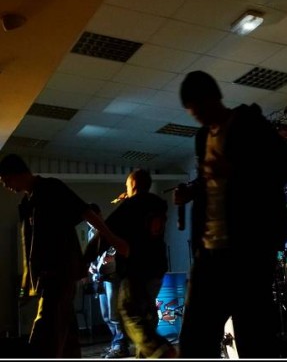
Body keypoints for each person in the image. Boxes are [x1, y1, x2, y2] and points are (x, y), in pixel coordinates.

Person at [173, 70, 287, 358]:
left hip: (248, 249)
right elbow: (211, 182)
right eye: (193, 112)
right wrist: (193, 190)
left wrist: (234, 171)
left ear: (214, 98)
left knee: (255, 335)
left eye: (200, 109)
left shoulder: (249, 123)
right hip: (209, 251)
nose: (198, 117)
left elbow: (281, 171)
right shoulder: (202, 137)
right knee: (194, 339)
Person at [0, 153, 128, 358]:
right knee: (67, 335)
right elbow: (29, 248)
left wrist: (113, 239)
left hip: (59, 272)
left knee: (44, 333)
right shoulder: (26, 204)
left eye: (6, 180)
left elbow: (87, 212)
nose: (6, 185)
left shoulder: (51, 188)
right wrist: (27, 283)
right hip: (47, 276)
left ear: (17, 173)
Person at [89, 168, 176, 358]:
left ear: (133, 185)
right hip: (157, 267)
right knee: (147, 311)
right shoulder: (157, 206)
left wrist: (83, 260)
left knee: (128, 310)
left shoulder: (131, 206)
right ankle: (144, 355)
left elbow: (104, 233)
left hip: (138, 267)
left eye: (127, 186)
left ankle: (160, 349)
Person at [86, 203, 130, 359]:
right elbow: (92, 253)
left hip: (112, 276)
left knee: (114, 313)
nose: (91, 222)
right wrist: (92, 266)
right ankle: (115, 344)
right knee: (106, 315)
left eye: (93, 218)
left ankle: (121, 346)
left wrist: (112, 256)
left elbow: (119, 247)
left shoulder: (109, 228)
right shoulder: (91, 232)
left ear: (99, 215)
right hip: (100, 277)